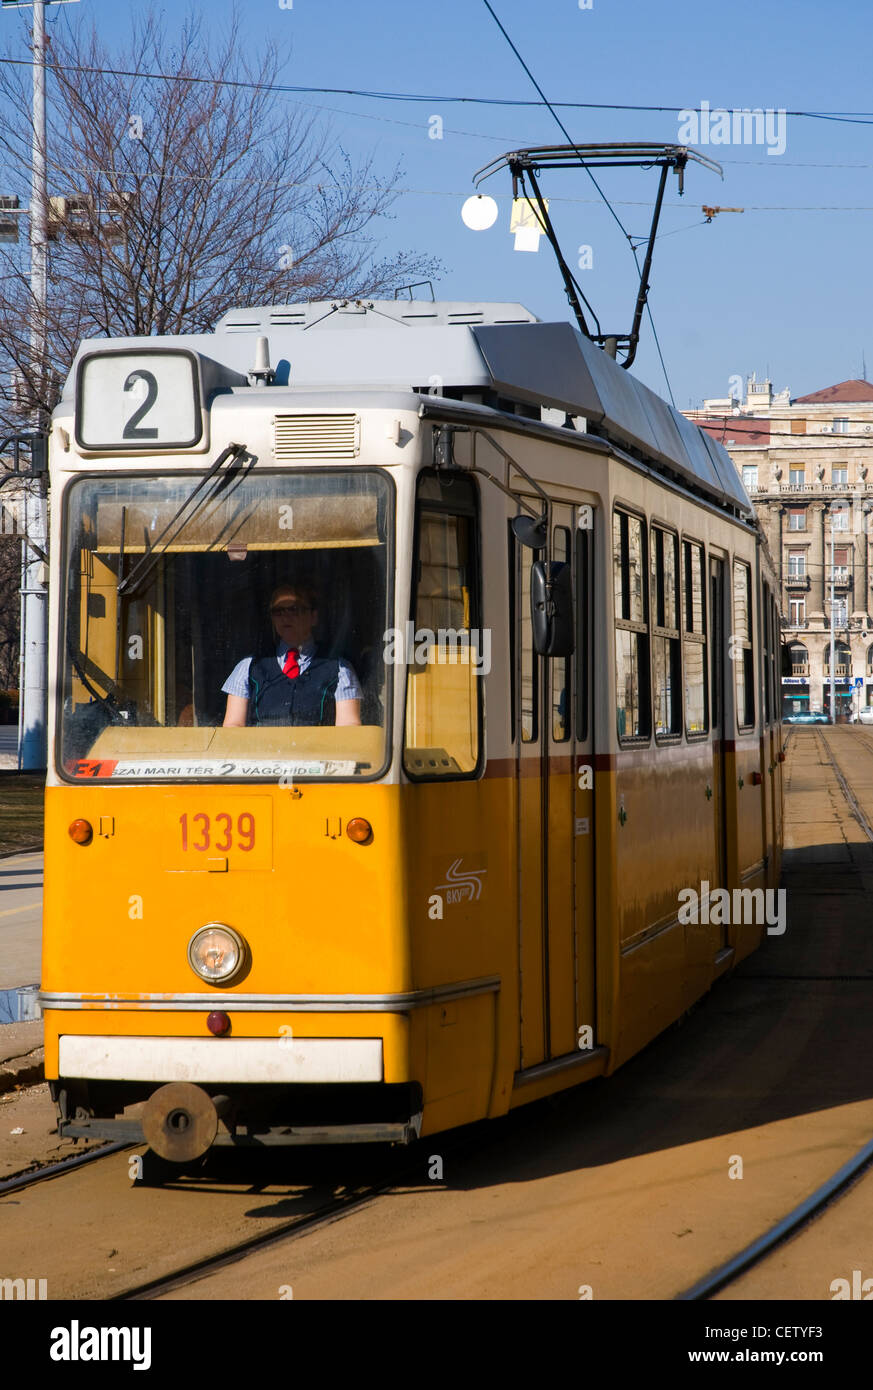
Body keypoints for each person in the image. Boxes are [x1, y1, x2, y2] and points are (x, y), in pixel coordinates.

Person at [222, 582, 361, 727]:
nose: (285, 617)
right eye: (278, 611)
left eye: (294, 609)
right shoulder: (248, 667)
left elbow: (348, 729)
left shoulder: (340, 669)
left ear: (313, 617)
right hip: (263, 749)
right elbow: (233, 728)